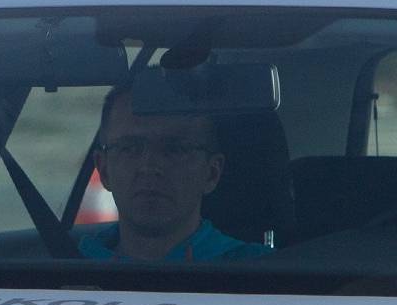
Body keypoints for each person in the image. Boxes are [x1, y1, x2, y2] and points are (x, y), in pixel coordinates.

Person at [79, 84, 268, 264]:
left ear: (212, 173)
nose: (149, 167)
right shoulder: (65, 264)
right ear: (103, 170)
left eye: (174, 149)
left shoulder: (267, 274)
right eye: (130, 148)